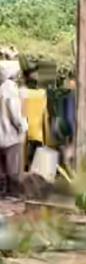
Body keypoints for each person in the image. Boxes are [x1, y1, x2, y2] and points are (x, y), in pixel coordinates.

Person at [0, 62, 27, 198]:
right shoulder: (9, 88)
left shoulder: (1, 87)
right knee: (13, 166)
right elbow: (14, 112)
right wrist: (22, 127)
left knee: (2, 168)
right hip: (10, 134)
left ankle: (3, 192)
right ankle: (14, 193)